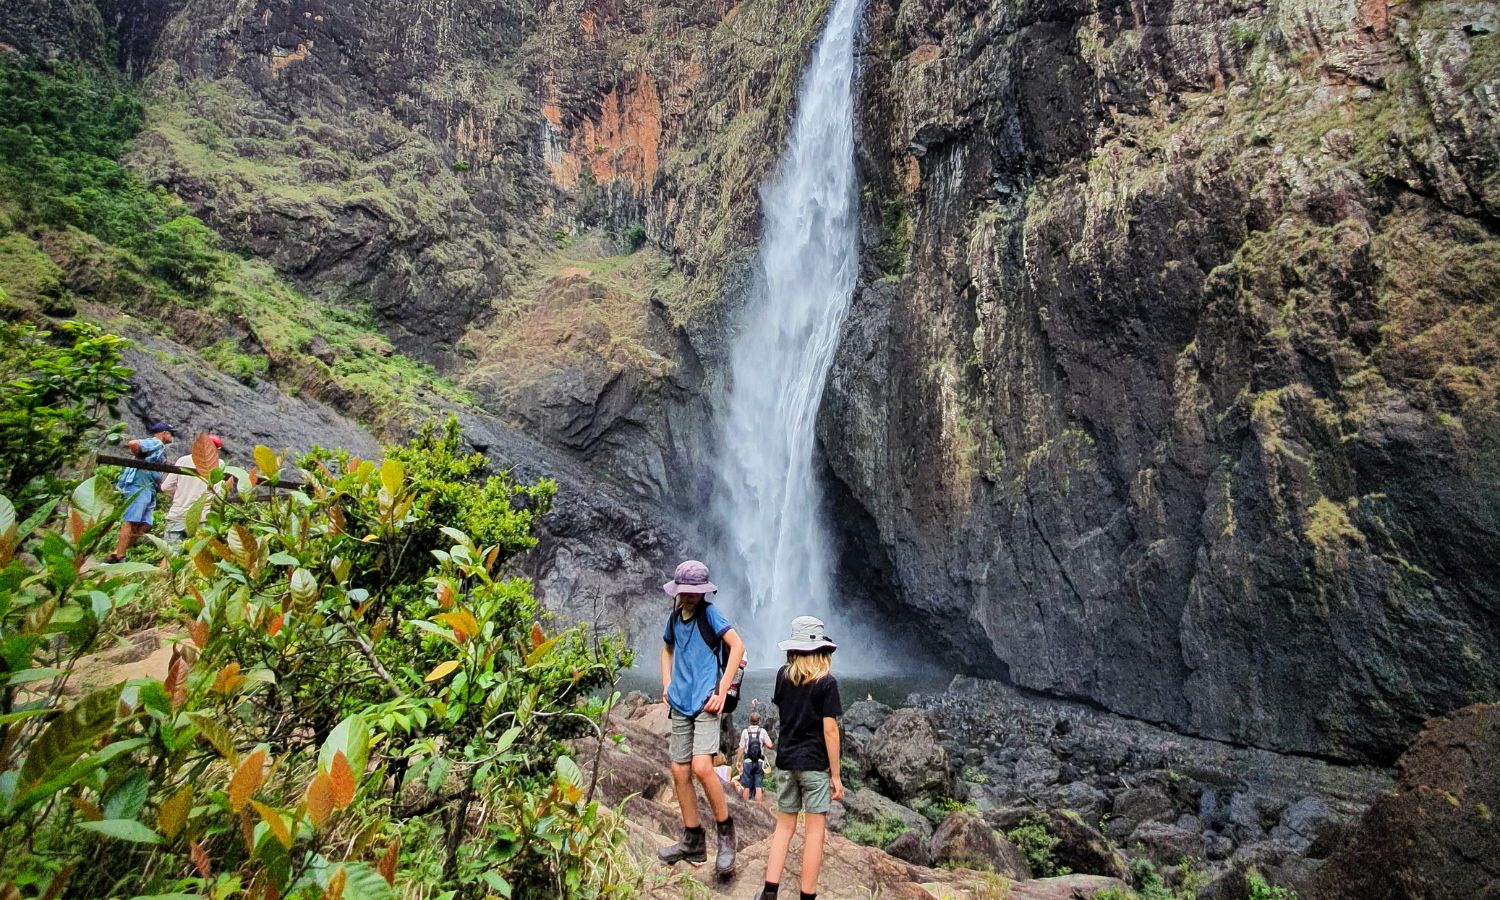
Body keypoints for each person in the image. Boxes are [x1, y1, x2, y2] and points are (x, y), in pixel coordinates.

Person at [656, 559, 745, 876]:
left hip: (707, 702)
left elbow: (737, 646)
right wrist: (666, 683)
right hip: (680, 702)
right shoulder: (674, 617)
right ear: (678, 592)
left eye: (696, 592)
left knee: (702, 766)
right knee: (678, 770)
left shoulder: (710, 614)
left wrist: (722, 690)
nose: (690, 597)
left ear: (704, 593)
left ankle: (726, 834)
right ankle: (693, 839)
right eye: (686, 592)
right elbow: (667, 649)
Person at [755, 616, 844, 900]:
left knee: (784, 826)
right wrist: (836, 775)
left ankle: (770, 892)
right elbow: (830, 730)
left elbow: (785, 715)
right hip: (815, 765)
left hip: (786, 761)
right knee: (815, 832)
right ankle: (807, 896)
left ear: (792, 650)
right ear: (822, 651)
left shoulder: (783, 676)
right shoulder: (826, 683)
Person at [105, 422, 175, 563]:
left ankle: (117, 552)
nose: (172, 436)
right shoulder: (156, 443)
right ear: (164, 433)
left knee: (146, 524)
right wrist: (139, 457)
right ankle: (120, 556)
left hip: (149, 487)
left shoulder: (159, 448)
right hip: (139, 485)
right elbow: (133, 444)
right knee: (131, 519)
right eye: (170, 433)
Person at [160, 434, 226, 546]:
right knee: (198, 558)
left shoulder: (183, 460)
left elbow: (165, 487)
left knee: (172, 555)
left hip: (178, 514)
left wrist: (179, 497)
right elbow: (218, 493)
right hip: (202, 518)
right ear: (216, 450)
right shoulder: (219, 464)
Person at [737, 710, 774, 801]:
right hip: (759, 762)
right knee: (758, 786)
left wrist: (738, 760)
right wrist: (764, 744)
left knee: (746, 786)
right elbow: (770, 745)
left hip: (747, 761)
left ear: (749, 720)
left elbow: (741, 748)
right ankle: (759, 809)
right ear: (759, 721)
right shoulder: (763, 731)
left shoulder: (745, 732)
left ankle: (746, 807)